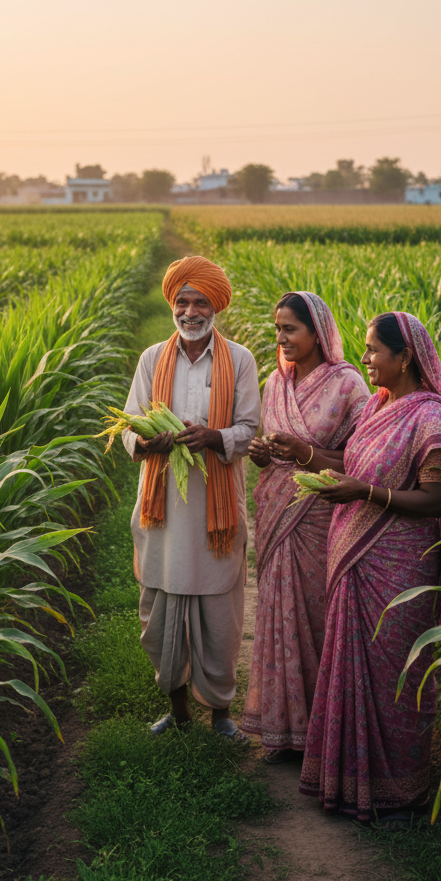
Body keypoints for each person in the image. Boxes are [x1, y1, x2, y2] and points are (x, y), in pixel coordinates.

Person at [298, 311, 441, 826]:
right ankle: (348, 782)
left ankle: (399, 792)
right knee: (353, 666)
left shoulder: (430, 418)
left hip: (400, 570)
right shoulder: (376, 406)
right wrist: (305, 457)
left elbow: (437, 501)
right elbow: (355, 468)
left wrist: (363, 493)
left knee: (395, 675)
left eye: (373, 350)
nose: (365, 358)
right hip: (358, 560)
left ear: (405, 356)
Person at [121, 255, 260, 740]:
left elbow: (248, 429)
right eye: (182, 300)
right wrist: (146, 442)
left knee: (220, 615)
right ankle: (178, 712)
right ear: (172, 305)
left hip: (215, 508)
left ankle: (221, 714)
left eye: (200, 301)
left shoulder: (240, 359)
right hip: (162, 509)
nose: (190, 310)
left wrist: (214, 438)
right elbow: (129, 425)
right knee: (160, 610)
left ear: (215, 306)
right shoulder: (151, 358)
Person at [242, 292, 369, 763]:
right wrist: (264, 456)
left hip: (322, 518)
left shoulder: (349, 386)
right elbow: (274, 454)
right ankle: (284, 728)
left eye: (289, 329)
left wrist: (303, 453)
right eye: (277, 329)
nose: (281, 338)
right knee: (279, 615)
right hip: (278, 514)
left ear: (317, 331)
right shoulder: (275, 380)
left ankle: (322, 729)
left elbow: (361, 461)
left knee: (318, 620)